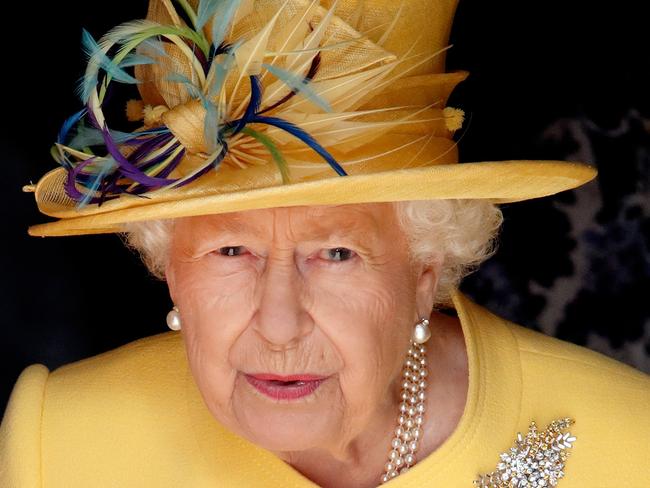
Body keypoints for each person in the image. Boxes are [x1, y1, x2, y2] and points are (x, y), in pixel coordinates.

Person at [1, 0, 648, 487]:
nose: (279, 325)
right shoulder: (60, 443)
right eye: (231, 251)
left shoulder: (630, 442)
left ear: (425, 268)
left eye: (335, 253)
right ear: (169, 266)